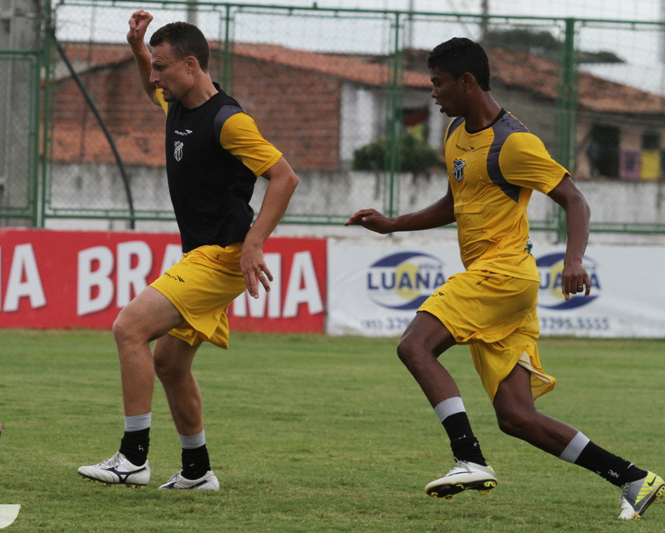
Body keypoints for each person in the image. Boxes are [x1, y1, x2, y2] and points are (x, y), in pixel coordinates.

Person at [346, 37, 664, 520]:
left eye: (438, 83)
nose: (432, 93)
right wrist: (393, 224)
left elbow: (575, 199)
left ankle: (468, 457)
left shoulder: (514, 143)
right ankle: (634, 478)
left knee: (414, 346)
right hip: (497, 281)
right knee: (517, 417)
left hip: (503, 274)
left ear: (466, 82)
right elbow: (455, 203)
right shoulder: (456, 132)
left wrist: (574, 259)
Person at [78, 10, 298, 491]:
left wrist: (255, 243)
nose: (155, 78)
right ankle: (197, 471)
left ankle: (133, 458)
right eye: (154, 67)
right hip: (201, 254)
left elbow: (284, 177)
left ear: (191, 65)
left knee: (129, 328)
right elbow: (148, 82)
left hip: (222, 257)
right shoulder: (176, 103)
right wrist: (138, 47)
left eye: (162, 67)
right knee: (170, 364)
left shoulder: (228, 121)